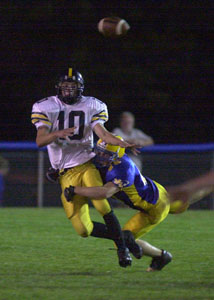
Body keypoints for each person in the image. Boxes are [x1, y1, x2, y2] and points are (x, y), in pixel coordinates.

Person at [31, 68, 137, 268]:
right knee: (83, 230)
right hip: (65, 173)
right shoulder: (45, 106)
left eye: (73, 87)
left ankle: (122, 250)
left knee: (102, 204)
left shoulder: (92, 105)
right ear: (58, 88)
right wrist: (57, 133)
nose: (69, 91)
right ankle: (125, 238)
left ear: (80, 88)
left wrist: (123, 142)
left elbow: (103, 135)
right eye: (65, 87)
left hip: (85, 162)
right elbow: (40, 140)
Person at [64, 137, 180, 271]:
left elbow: (105, 193)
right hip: (154, 190)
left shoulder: (123, 168)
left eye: (105, 154)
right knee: (121, 237)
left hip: (155, 206)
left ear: (116, 156)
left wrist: (75, 190)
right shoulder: (107, 160)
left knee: (121, 240)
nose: (100, 156)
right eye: (99, 151)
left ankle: (161, 256)